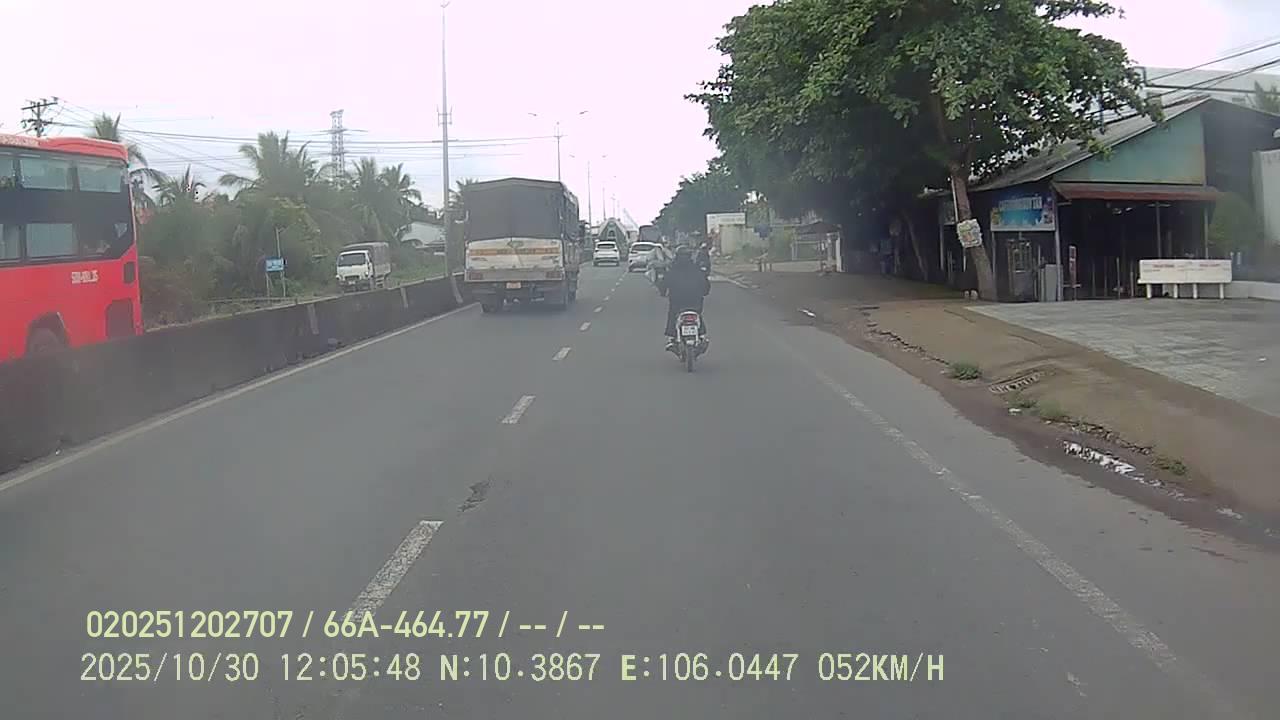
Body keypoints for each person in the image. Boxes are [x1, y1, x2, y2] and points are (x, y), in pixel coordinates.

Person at [659, 246, 711, 350]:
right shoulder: (696, 269)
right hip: (695, 301)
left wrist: (663, 292)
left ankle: (672, 337)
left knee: (673, 315)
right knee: (697, 314)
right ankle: (701, 335)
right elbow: (706, 284)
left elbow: (664, 284)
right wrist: (704, 293)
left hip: (677, 302)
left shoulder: (672, 270)